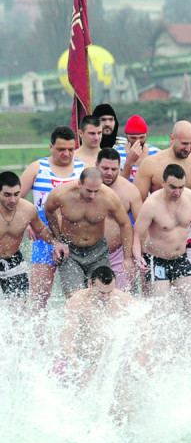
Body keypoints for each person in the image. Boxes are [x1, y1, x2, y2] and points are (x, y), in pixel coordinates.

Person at [134, 121, 191, 337]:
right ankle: (154, 340)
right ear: (172, 139)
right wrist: (137, 253)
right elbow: (136, 203)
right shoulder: (152, 165)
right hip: (158, 235)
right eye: (184, 143)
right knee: (160, 302)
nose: (188, 148)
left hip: (188, 236)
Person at [20, 126, 85, 315]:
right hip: (43, 239)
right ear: (51, 147)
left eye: (70, 149)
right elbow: (16, 200)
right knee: (39, 298)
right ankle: (39, 344)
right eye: (61, 149)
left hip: (75, 240)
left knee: (76, 299)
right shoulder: (37, 167)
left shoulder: (83, 169)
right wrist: (28, 222)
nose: (66, 154)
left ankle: (75, 341)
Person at [44, 167, 134, 298]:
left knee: (102, 294)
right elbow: (48, 210)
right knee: (74, 297)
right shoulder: (61, 194)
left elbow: (125, 223)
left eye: (96, 191)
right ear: (80, 184)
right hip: (70, 251)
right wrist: (58, 240)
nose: (92, 196)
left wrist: (127, 257)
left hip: (98, 251)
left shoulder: (109, 197)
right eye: (89, 191)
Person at [0, 171, 67, 314]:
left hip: (13, 261)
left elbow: (41, 229)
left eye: (16, 194)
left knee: (18, 312)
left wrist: (56, 243)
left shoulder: (27, 209)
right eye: (7, 195)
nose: (13, 200)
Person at [59, 266, 135, 385]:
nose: (106, 297)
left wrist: (138, 362)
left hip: (112, 362)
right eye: (101, 292)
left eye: (110, 292)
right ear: (90, 284)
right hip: (84, 361)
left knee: (125, 391)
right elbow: (66, 337)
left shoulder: (124, 300)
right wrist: (75, 361)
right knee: (83, 385)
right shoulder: (78, 301)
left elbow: (146, 333)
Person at [97, 148, 141, 291]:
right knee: (91, 301)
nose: (109, 173)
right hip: (90, 253)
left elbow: (141, 227)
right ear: (96, 165)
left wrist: (134, 256)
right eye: (105, 168)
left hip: (120, 253)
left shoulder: (130, 191)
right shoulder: (84, 187)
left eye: (114, 169)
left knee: (123, 300)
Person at [115, 114, 160, 182]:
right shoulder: (117, 154)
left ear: (146, 134)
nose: (138, 142)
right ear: (126, 135)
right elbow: (119, 184)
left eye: (142, 137)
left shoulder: (156, 153)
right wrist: (129, 162)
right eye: (133, 138)